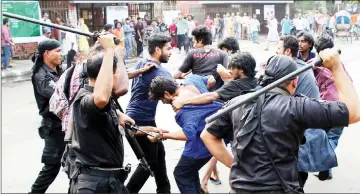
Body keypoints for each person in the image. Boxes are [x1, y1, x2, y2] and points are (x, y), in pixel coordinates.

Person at [201, 50, 360, 193]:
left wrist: (235, 165)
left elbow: (207, 136)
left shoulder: (237, 103)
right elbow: (354, 112)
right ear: (294, 82)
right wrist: (336, 67)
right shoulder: (298, 106)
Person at [69, 34, 134, 193]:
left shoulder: (104, 100)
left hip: (109, 181)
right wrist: (110, 50)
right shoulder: (86, 99)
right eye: (117, 71)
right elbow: (100, 98)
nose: (119, 75)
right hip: (94, 185)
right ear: (108, 74)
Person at [276, 35, 337, 187]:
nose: (276, 53)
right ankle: (324, 164)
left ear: (287, 52)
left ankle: (324, 164)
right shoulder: (302, 66)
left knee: (292, 181)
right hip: (308, 129)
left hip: (301, 134)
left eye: (278, 50)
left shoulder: (291, 71)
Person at [147, 76, 222, 194]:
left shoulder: (183, 109)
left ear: (167, 94)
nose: (163, 103)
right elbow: (211, 79)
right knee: (190, 171)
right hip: (218, 130)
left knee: (181, 173)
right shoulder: (193, 79)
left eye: (162, 99)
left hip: (203, 143)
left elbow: (188, 134)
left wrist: (163, 135)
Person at [125, 34, 172, 194]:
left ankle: (164, 189)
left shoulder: (142, 63)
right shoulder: (157, 70)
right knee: (149, 161)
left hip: (140, 117)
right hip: (139, 120)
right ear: (158, 49)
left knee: (158, 154)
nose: (171, 52)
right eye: (168, 48)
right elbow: (175, 88)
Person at [312, 35, 352, 180]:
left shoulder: (315, 65)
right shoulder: (338, 65)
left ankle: (326, 169)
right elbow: (349, 82)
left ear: (317, 51)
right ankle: (326, 168)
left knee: (325, 138)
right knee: (332, 139)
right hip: (342, 107)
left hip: (325, 107)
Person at [29, 39, 65, 193]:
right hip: (54, 127)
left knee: (79, 163)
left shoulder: (59, 70)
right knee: (51, 167)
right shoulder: (41, 76)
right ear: (47, 54)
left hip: (66, 124)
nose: (61, 54)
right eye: (57, 51)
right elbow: (58, 96)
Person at [172, 26, 229, 92]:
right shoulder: (223, 54)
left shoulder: (192, 53)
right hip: (217, 95)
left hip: (199, 94)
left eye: (194, 42)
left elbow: (176, 75)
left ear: (200, 40)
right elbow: (227, 76)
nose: (193, 45)